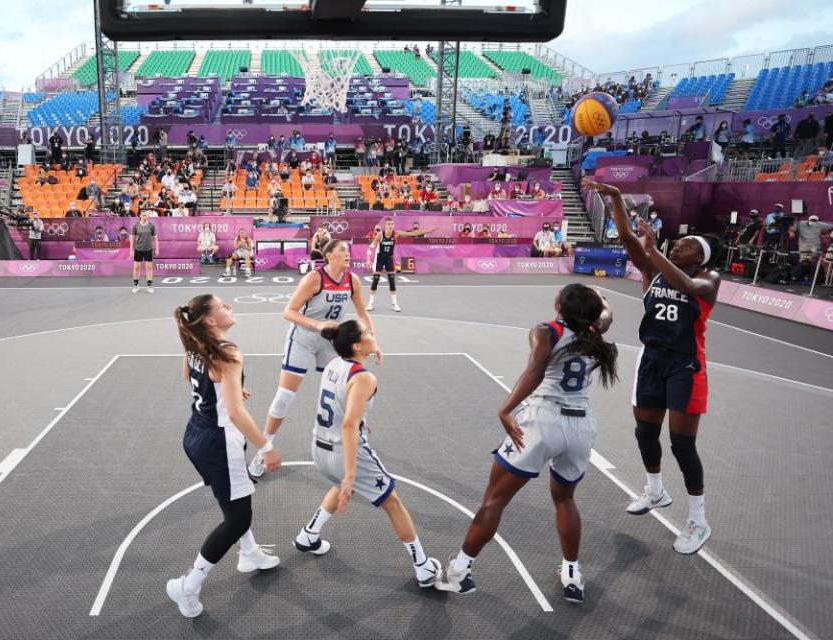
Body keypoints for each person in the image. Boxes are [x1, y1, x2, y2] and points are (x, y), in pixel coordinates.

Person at [436, 284, 617, 601]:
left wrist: (505, 409)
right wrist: (600, 300)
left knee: (494, 500)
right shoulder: (595, 334)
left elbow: (535, 369)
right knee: (565, 499)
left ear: (559, 304)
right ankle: (572, 574)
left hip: (542, 421)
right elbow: (606, 314)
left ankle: (458, 573)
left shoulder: (546, 331)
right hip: (581, 427)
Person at [585, 180, 720, 555]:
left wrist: (655, 252)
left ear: (701, 258)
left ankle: (698, 520)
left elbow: (689, 286)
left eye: (688, 245)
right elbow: (628, 237)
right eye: (678, 241)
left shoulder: (709, 280)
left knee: (681, 443)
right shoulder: (655, 269)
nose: (680, 244)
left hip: (686, 365)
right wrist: (614, 199)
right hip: (652, 359)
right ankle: (656, 491)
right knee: (645, 432)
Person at [293, 320, 443, 587]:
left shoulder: (332, 364)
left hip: (319, 447)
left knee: (338, 484)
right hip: (345, 453)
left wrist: (359, 420)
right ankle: (423, 567)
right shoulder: (364, 377)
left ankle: (309, 534)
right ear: (357, 345)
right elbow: (349, 424)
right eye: (368, 333)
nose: (373, 334)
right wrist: (351, 474)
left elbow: (341, 406)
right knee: (392, 502)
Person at [167, 295, 283, 619]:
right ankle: (188, 586)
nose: (229, 305)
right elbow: (234, 413)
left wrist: (228, 388)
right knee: (238, 518)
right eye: (222, 305)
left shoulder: (193, 344)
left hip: (196, 434)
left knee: (232, 499)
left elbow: (189, 377)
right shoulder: (228, 353)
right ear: (209, 320)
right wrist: (266, 446)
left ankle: (249, 553)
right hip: (220, 442)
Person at [247, 239, 378, 479]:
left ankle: (357, 432)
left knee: (348, 392)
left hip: (331, 342)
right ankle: (263, 450)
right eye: (342, 250)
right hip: (304, 338)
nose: (347, 254)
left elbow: (362, 313)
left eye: (348, 251)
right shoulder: (314, 279)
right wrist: (317, 324)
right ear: (329, 256)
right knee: (284, 398)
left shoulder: (352, 281)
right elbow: (289, 311)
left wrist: (373, 340)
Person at [366, 218, 437, 312]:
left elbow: (412, 234)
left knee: (392, 281)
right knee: (375, 280)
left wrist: (427, 231)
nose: (390, 226)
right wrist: (368, 260)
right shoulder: (380, 235)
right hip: (379, 258)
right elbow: (371, 247)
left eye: (391, 224)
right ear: (385, 226)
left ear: (393, 225)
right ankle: (371, 303)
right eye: (388, 224)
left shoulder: (396, 233)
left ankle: (394, 304)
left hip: (389, 258)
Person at [130, 210, 159, 294]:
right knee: (136, 268)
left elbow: (155, 238)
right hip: (138, 249)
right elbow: (132, 239)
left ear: (147, 216)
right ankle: (136, 286)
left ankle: (149, 286)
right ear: (140, 216)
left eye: (146, 215)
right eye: (143, 215)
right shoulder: (135, 226)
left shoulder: (151, 226)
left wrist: (157, 249)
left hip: (148, 249)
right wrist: (131, 250)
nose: (144, 217)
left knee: (149, 268)